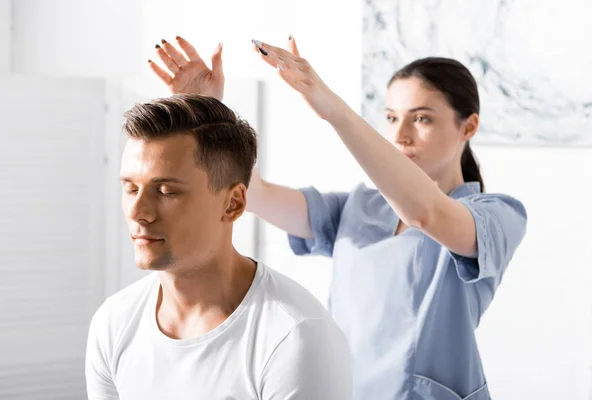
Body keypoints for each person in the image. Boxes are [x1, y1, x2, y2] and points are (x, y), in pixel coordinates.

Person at [148, 36, 526, 400]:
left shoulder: (497, 216)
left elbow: (425, 213)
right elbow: (254, 193)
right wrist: (206, 116)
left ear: (469, 126)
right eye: (392, 117)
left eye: (422, 119)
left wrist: (335, 111)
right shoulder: (359, 207)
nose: (401, 135)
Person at [85, 92, 352, 399]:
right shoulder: (113, 322)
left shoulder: (295, 337)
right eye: (130, 188)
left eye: (167, 191)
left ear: (233, 204)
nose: (137, 211)